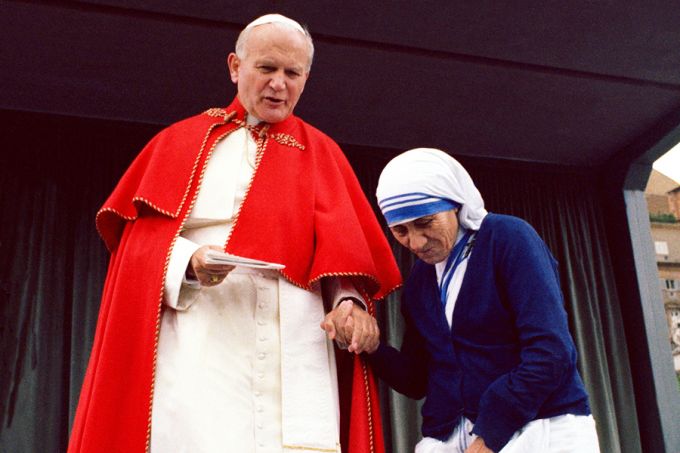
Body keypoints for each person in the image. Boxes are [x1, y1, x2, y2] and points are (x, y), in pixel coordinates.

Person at [67, 14, 401, 453]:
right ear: (234, 67)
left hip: (295, 346)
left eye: (292, 73)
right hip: (201, 339)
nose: (279, 84)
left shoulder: (322, 153)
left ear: (306, 78)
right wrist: (189, 262)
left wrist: (349, 304)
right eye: (267, 68)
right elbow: (137, 247)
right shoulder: (179, 142)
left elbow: (342, 257)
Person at [367, 148, 600, 453]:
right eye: (400, 231)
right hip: (452, 435)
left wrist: (490, 435)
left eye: (425, 222)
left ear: (454, 203)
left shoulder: (508, 238)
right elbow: (417, 380)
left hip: (539, 426)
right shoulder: (419, 283)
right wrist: (372, 347)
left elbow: (551, 351)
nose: (416, 242)